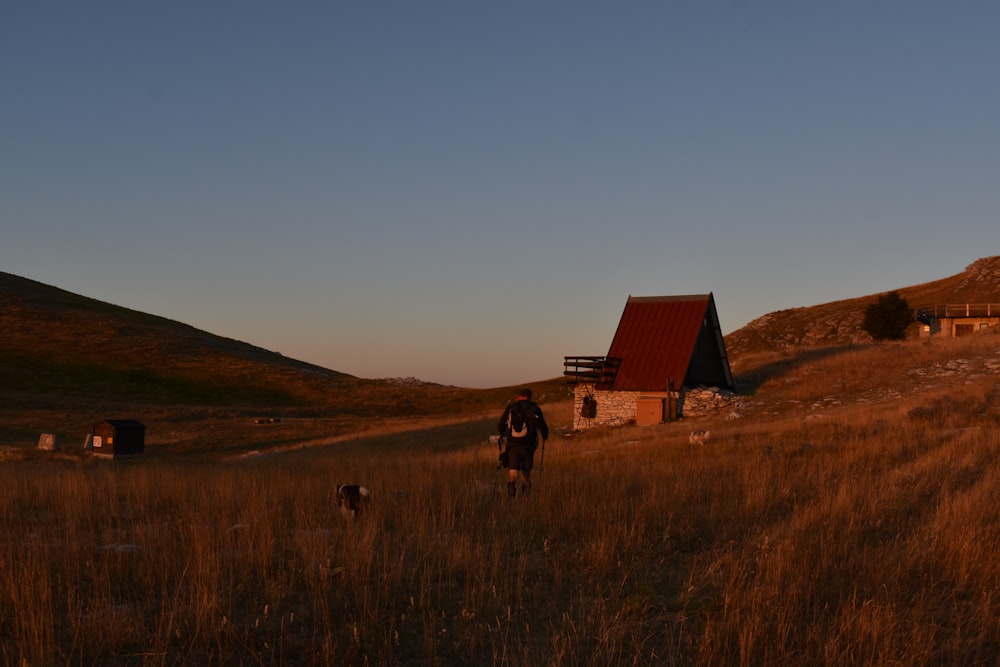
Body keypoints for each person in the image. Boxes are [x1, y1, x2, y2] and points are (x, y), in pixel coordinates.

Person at [497, 388, 548, 498]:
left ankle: (511, 494)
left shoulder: (511, 408)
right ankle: (526, 497)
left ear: (519, 396)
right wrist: (544, 437)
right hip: (528, 445)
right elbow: (543, 427)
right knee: (526, 471)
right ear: (529, 397)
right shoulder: (534, 408)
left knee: (513, 469)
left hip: (513, 445)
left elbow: (500, 426)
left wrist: (504, 433)